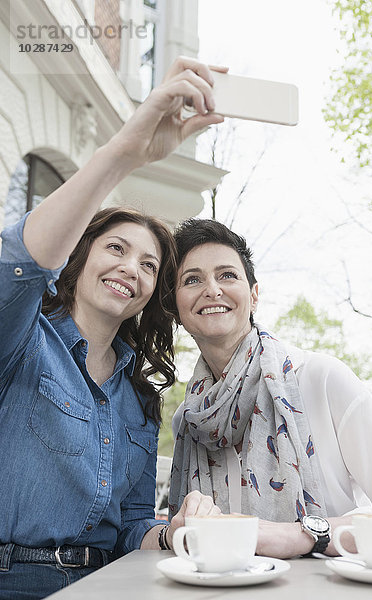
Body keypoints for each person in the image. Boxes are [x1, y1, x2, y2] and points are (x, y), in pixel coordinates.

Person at [0, 57, 225, 599]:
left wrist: (175, 533)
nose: (132, 268)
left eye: (150, 265)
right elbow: (19, 262)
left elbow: (129, 528)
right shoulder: (22, 338)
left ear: (152, 294)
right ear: (78, 260)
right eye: (117, 249)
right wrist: (125, 153)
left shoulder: (139, 398)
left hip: (110, 585)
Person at [168, 218, 372, 559]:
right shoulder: (187, 421)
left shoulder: (321, 379)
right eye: (192, 280)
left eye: (227, 275)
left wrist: (305, 535)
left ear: (254, 295)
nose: (212, 289)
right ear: (175, 308)